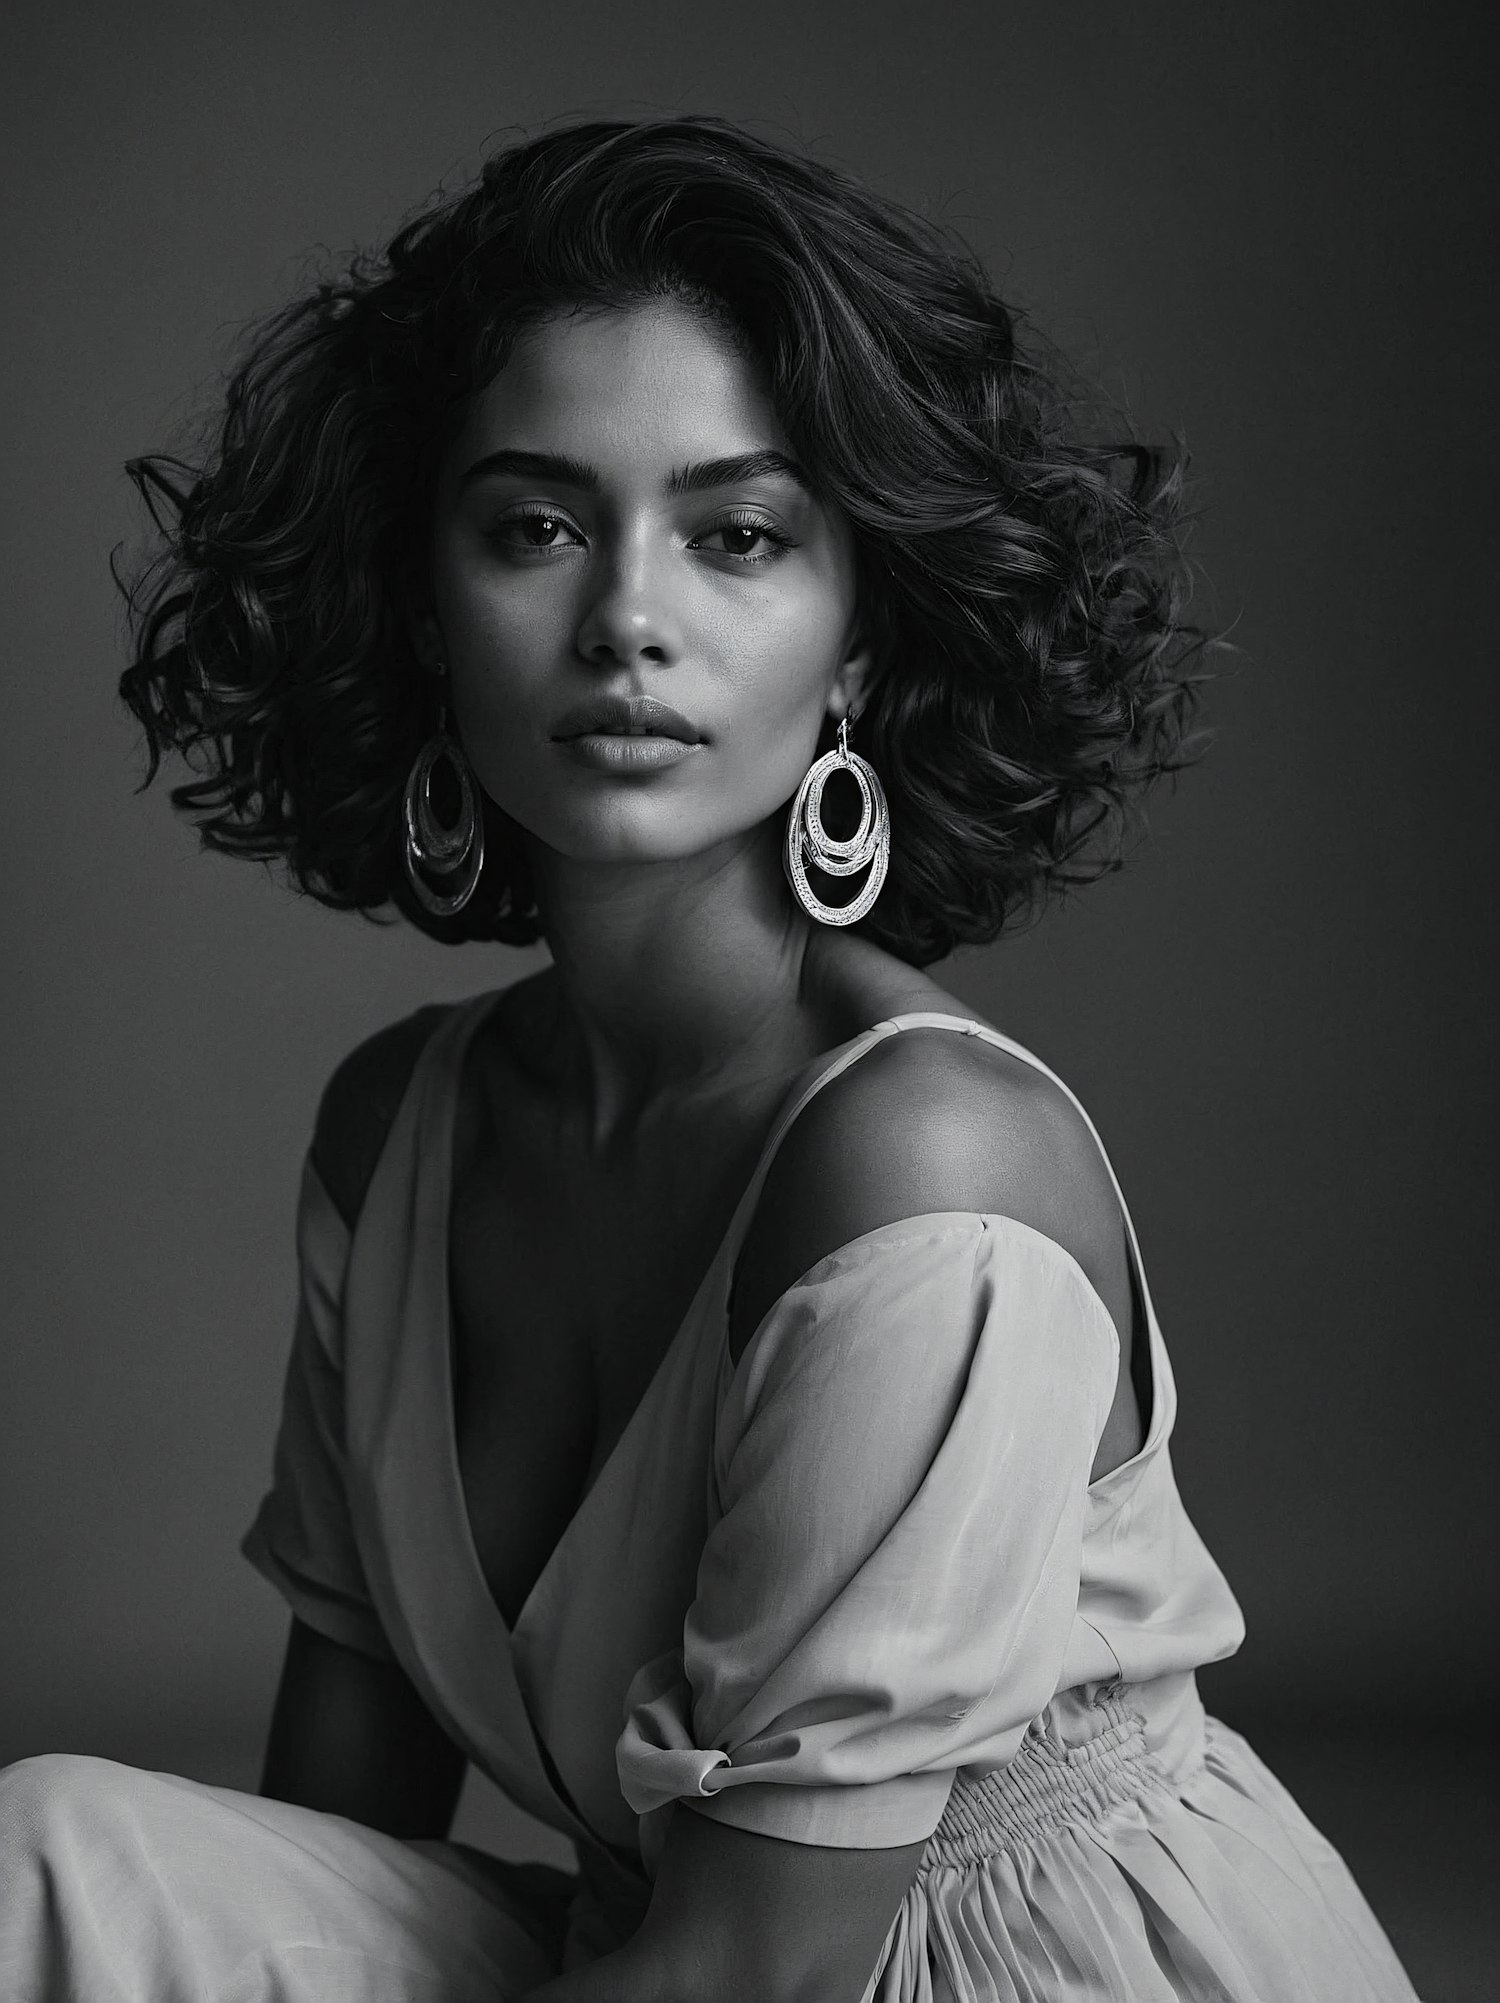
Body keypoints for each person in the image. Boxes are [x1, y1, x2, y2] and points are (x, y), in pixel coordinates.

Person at [0, 117, 1419, 2003]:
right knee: (48, 1866)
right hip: (654, 1957)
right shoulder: (398, 1135)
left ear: (852, 641)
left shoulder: (928, 1169)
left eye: (737, 534)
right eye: (537, 527)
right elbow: (318, 1862)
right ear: (427, 604)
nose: (629, 621)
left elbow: (756, 1970)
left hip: (986, 1980)